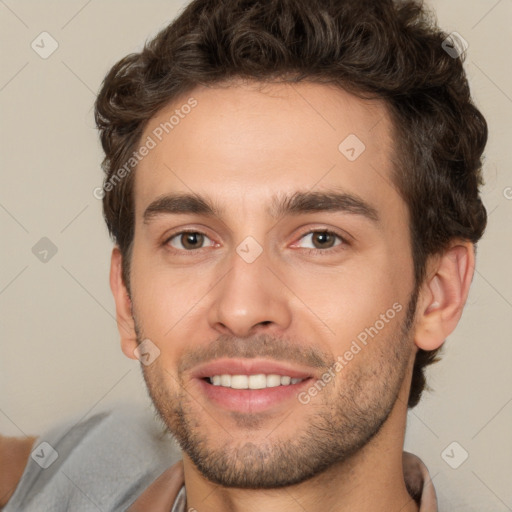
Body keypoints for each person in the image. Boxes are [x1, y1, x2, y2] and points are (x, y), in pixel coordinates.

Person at [1, 0, 488, 510]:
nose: (241, 309)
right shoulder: (87, 470)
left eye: (321, 239)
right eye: (191, 239)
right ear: (125, 298)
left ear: (437, 294)